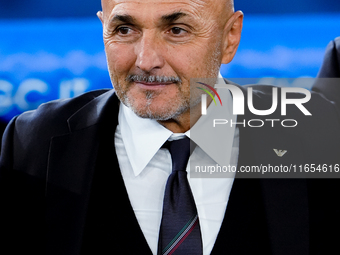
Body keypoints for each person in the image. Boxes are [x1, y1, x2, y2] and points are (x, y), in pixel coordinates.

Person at [1, 1, 340, 254]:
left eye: (176, 30)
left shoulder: (314, 135)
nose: (146, 60)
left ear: (229, 38)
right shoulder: (34, 144)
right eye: (124, 30)